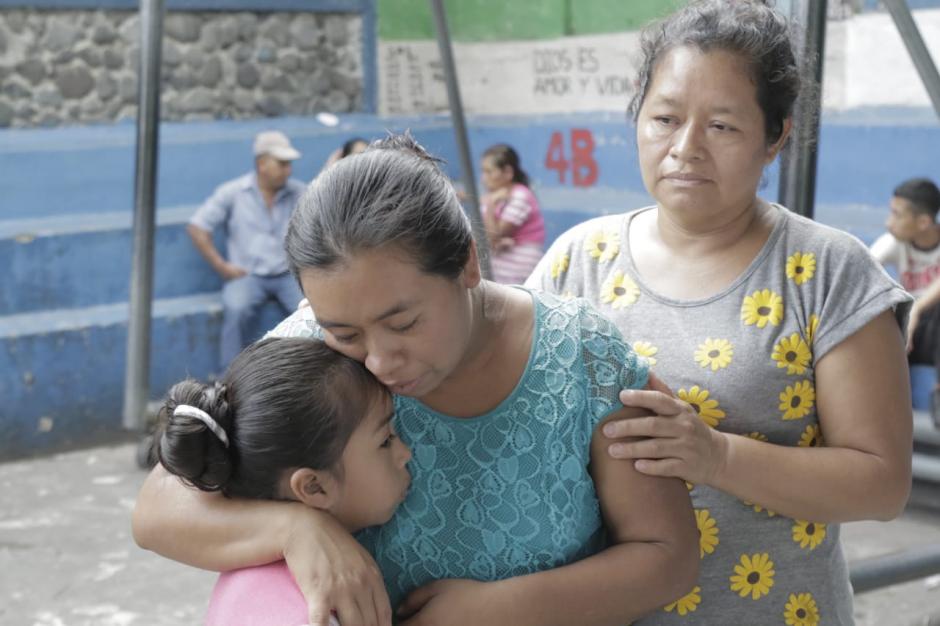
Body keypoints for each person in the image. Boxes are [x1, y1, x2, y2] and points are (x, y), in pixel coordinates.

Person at [134, 133, 700, 626]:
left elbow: (667, 555)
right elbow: (159, 510)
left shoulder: (581, 357)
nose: (377, 362)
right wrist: (293, 530)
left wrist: (498, 609)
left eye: (401, 323)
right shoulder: (311, 348)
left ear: (466, 266)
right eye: (346, 332)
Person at [525, 1, 913, 623]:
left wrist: (716, 457)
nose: (685, 148)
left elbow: (883, 484)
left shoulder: (829, 272)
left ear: (775, 136)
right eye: (665, 118)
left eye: (723, 126)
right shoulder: (579, 261)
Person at [156, 337, 409, 626]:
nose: (405, 453)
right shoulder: (314, 612)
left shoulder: (248, 573)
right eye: (386, 440)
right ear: (314, 486)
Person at [187, 130, 306, 368]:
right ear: (262, 164)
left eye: (289, 164)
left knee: (312, 312)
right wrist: (222, 266)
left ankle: (309, 378)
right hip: (247, 275)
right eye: (282, 163)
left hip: (288, 274)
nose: (288, 170)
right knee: (237, 309)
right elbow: (197, 227)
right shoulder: (233, 192)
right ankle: (228, 383)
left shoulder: (299, 191)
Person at [870, 178, 940, 397]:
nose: (889, 223)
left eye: (897, 215)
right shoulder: (892, 242)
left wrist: (917, 309)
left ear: (923, 222)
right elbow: (862, 272)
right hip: (910, 331)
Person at [480, 144, 546, 284]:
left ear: (508, 172)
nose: (483, 178)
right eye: (483, 172)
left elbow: (494, 234)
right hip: (502, 266)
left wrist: (489, 205)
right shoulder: (495, 197)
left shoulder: (520, 196)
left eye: (489, 172)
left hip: (518, 269)